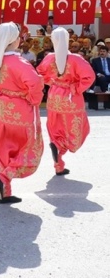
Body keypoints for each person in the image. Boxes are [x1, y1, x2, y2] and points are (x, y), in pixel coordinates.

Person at [0, 22, 44, 204]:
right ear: (14, 40)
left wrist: (6, 91)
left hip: (2, 108)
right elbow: (35, 84)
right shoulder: (20, 62)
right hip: (21, 109)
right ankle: (4, 177)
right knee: (28, 148)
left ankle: (6, 191)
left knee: (5, 150)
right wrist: (31, 98)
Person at [37, 27, 95, 176]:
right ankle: (60, 147)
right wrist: (75, 88)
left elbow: (40, 73)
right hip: (71, 97)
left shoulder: (49, 57)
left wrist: (53, 81)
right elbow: (89, 77)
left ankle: (59, 162)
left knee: (56, 127)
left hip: (54, 95)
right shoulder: (76, 59)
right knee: (79, 128)